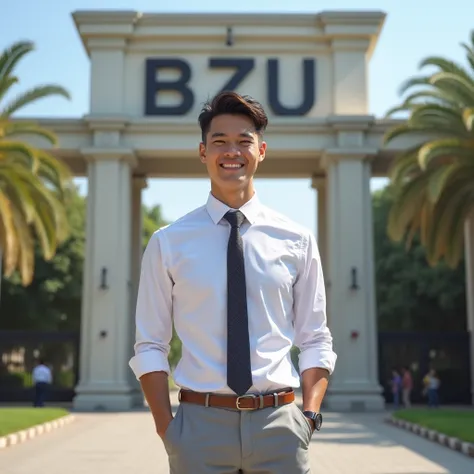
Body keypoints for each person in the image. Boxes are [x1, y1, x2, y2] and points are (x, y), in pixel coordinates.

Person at [129, 91, 337, 474]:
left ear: (262, 151)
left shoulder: (297, 240)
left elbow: (315, 338)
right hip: (198, 429)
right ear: (202, 152)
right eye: (219, 141)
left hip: (281, 426)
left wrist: (308, 417)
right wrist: (168, 430)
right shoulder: (168, 242)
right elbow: (150, 344)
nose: (232, 151)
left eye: (244, 141)